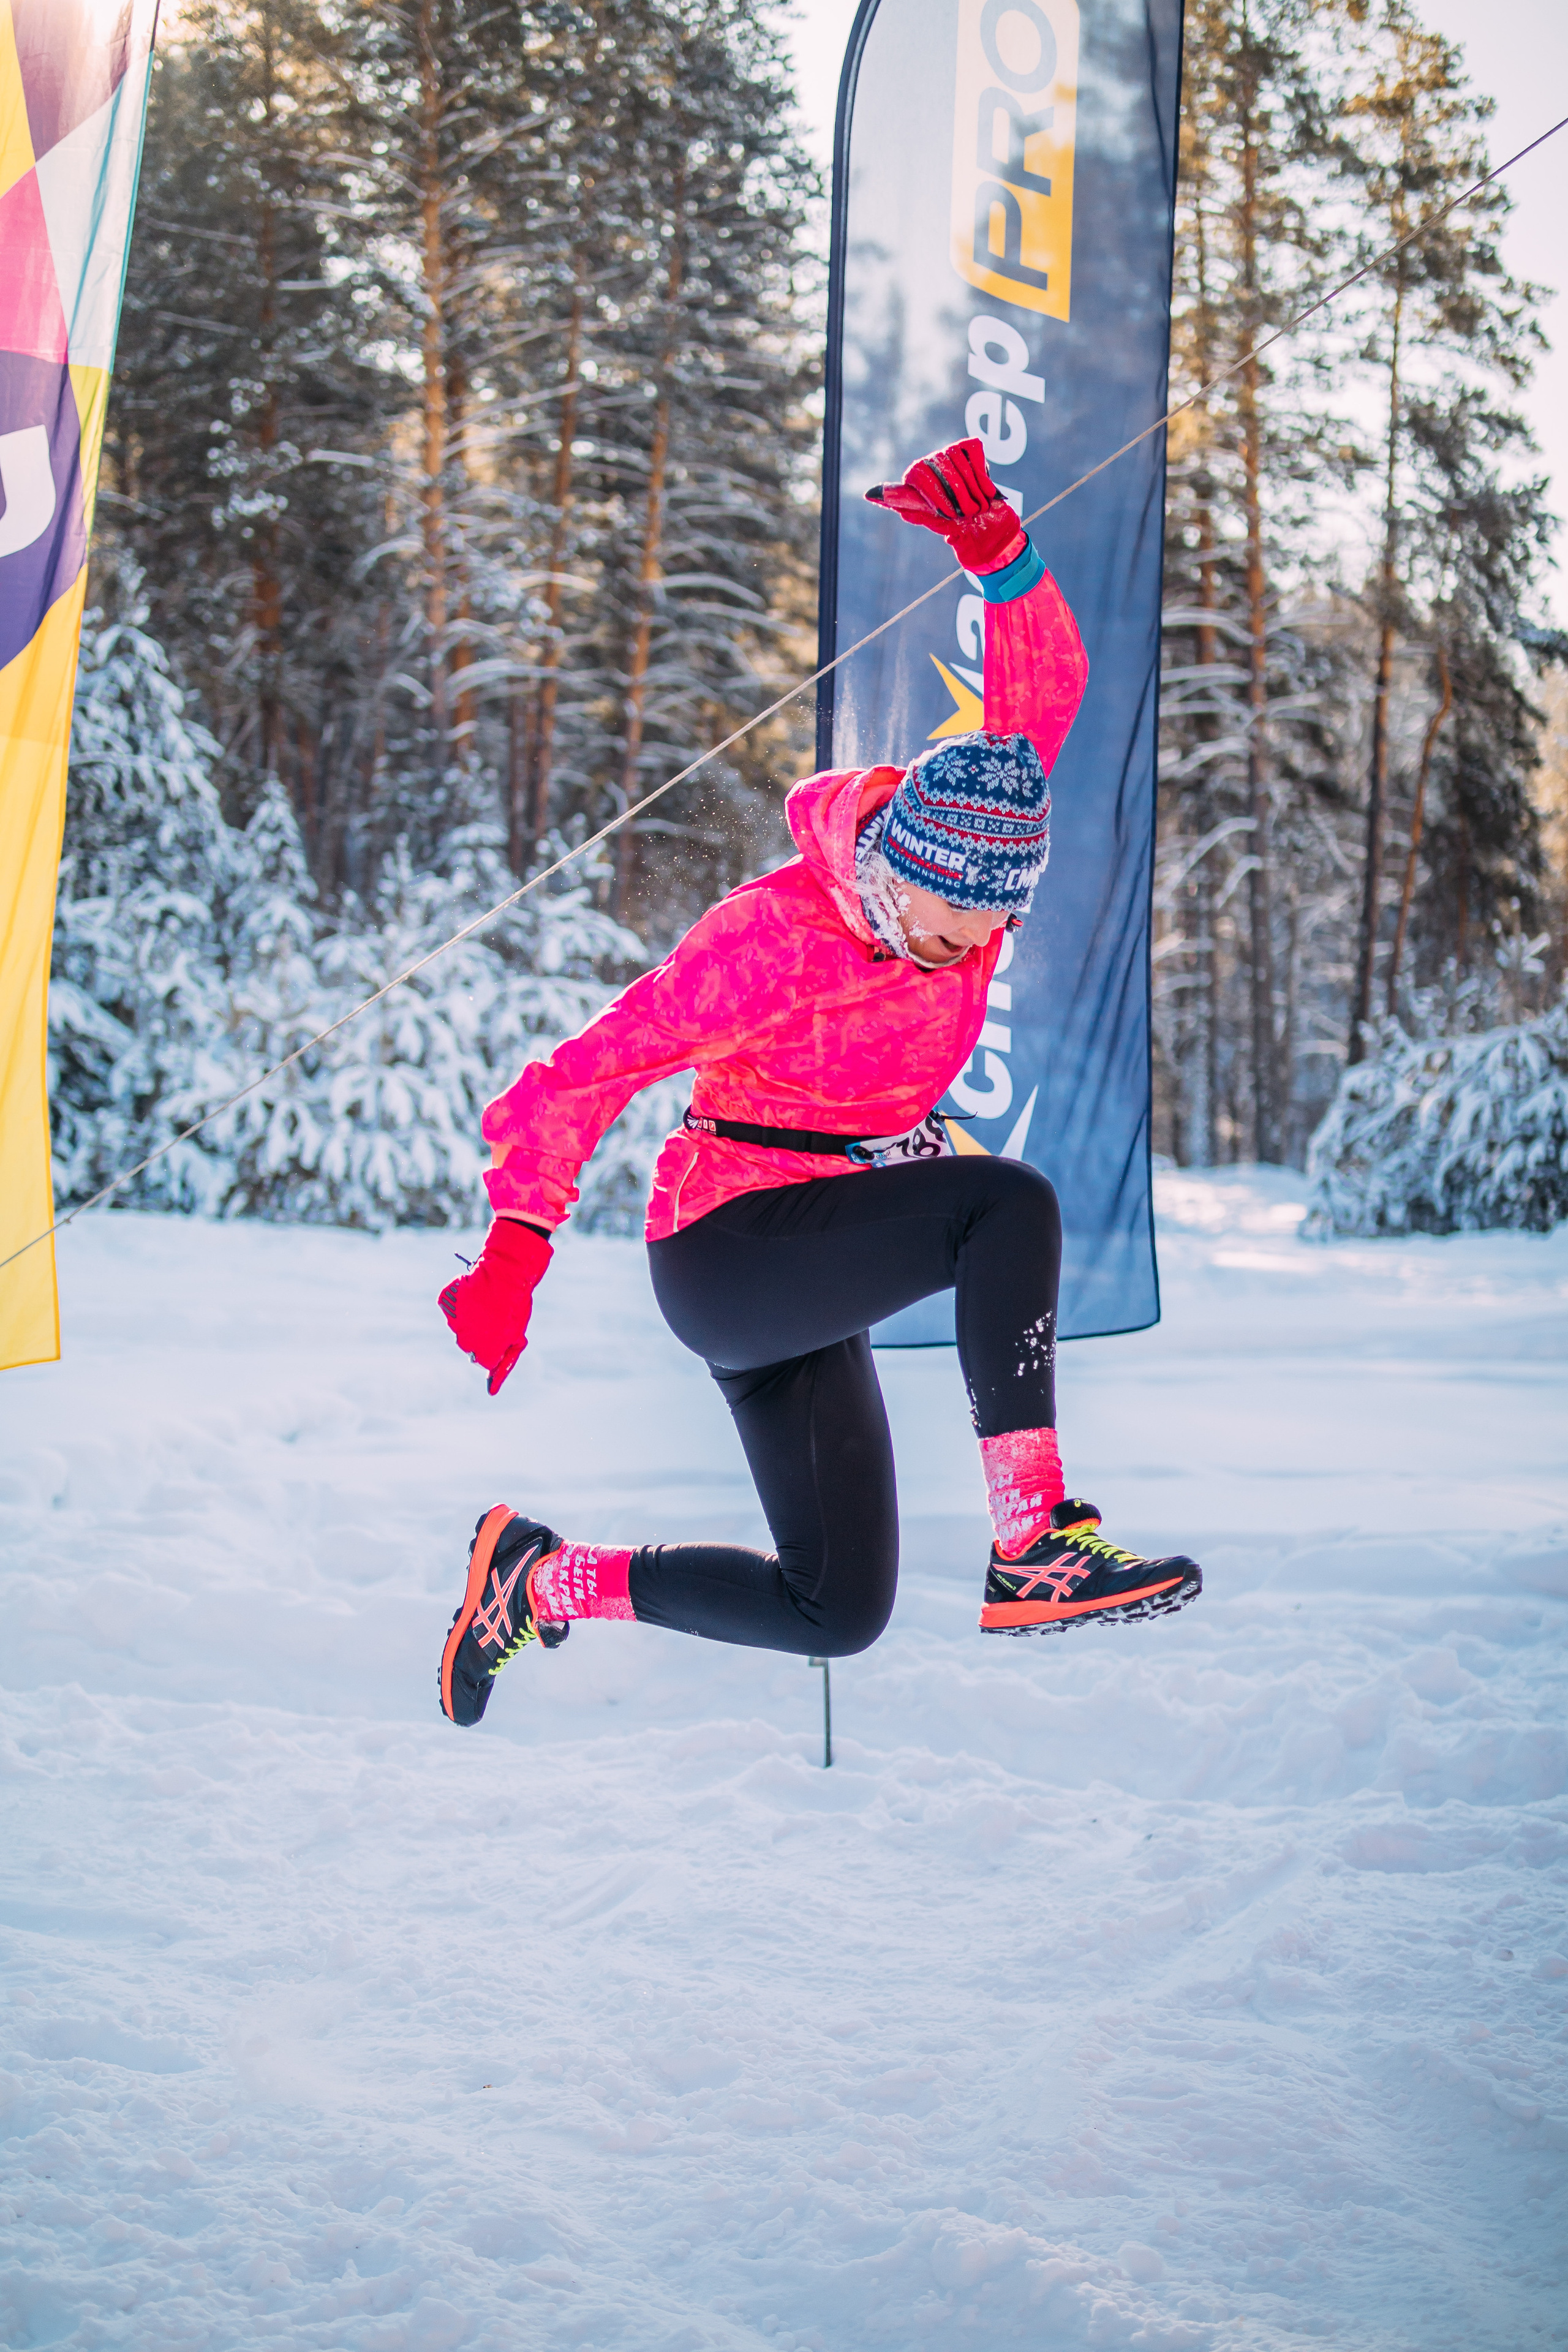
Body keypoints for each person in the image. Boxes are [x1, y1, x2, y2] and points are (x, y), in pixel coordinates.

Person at [435, 437, 1200, 1728]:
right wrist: (516, 1247)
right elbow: (587, 1071)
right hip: (728, 1249)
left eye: (988, 929)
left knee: (836, 1606)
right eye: (948, 924)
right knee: (1002, 1208)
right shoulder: (771, 939)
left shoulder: (979, 833)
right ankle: (1033, 1539)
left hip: (811, 1251)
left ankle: (536, 1580)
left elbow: (1044, 691)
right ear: (897, 870)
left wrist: (999, 557)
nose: (967, 950)